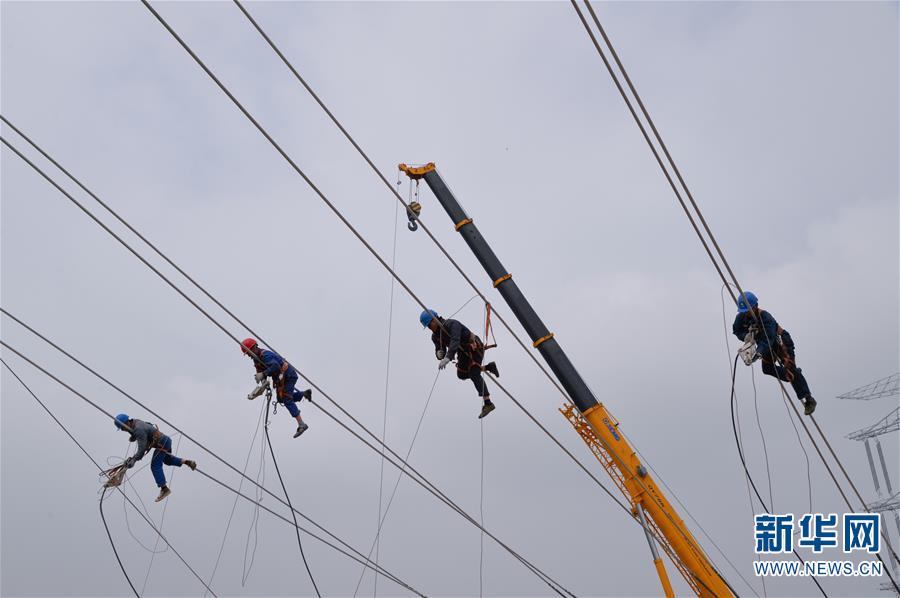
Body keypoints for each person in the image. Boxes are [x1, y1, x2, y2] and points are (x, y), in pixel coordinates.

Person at [732, 292, 817, 415]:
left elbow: (769, 339)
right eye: (744, 311)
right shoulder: (741, 317)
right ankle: (792, 374)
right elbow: (736, 330)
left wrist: (759, 352)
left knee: (790, 368)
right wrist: (746, 336)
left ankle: (808, 399)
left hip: (780, 343)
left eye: (747, 310)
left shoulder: (765, 317)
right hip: (764, 344)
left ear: (755, 306)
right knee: (767, 369)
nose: (745, 313)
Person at [420, 309, 499, 419]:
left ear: (435, 319)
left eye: (430, 324)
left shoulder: (452, 324)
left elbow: (455, 340)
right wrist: (440, 354)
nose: (430, 328)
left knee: (474, 373)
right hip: (462, 352)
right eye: (427, 326)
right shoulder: (435, 336)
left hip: (474, 346)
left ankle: (488, 403)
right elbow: (440, 348)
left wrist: (448, 357)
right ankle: (489, 367)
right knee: (461, 374)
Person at [114, 413, 196, 502]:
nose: (123, 430)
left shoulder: (138, 429)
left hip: (161, 443)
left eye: (122, 428)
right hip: (165, 440)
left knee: (155, 465)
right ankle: (187, 462)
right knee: (168, 460)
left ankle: (164, 489)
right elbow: (147, 427)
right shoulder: (136, 422)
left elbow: (141, 449)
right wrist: (133, 437)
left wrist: (134, 459)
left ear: (126, 423)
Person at [241, 338, 312, 438]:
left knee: (287, 399)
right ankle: (304, 394)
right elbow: (261, 373)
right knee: (281, 399)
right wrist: (262, 382)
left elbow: (276, 367)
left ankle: (301, 424)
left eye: (248, 352)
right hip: (282, 378)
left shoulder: (265, 355)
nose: (248, 355)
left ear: (253, 348)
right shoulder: (257, 360)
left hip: (289, 375)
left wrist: (264, 374)